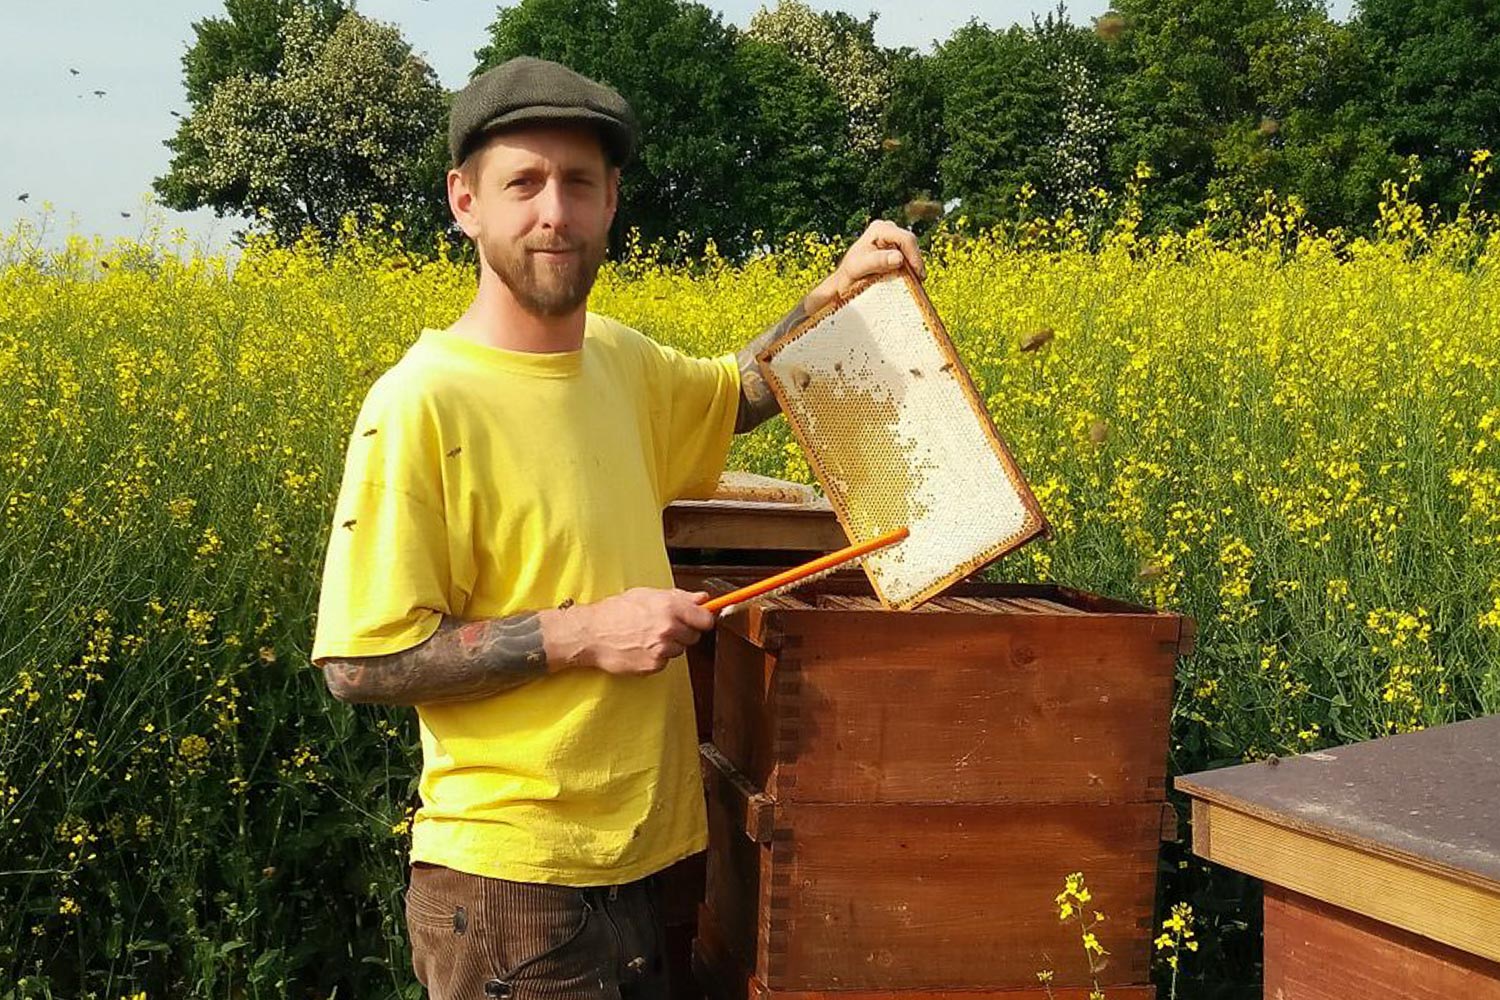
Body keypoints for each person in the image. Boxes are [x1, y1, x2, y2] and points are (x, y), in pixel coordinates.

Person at [309, 55, 926, 1000]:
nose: (553, 211)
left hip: (648, 861)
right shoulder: (421, 404)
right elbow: (361, 663)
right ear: (464, 201)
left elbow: (739, 390)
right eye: (523, 182)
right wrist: (586, 631)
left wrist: (833, 296)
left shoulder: (618, 362)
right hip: (513, 895)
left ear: (610, 203)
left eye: (579, 183)